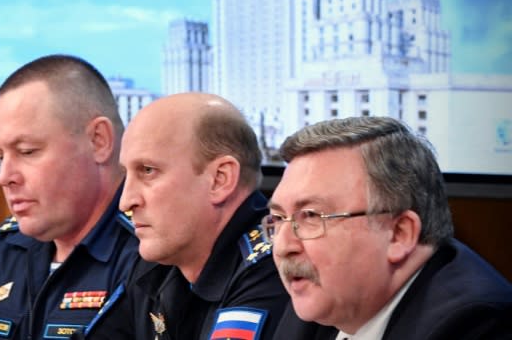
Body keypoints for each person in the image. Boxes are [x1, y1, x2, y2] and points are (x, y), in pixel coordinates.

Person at [0, 55, 139, 339]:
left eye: (27, 151)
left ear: (98, 141)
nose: (4, 177)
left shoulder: (151, 252)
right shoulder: (7, 250)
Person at [266, 116, 512, 339]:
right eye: (277, 219)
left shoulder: (472, 327)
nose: (283, 246)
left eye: (310, 216)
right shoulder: (324, 302)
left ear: (399, 234)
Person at [78, 92, 289, 339]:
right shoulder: (160, 258)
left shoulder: (274, 266)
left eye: (148, 171)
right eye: (127, 174)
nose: (126, 202)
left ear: (220, 180)